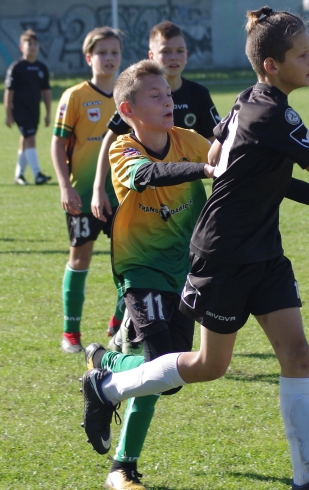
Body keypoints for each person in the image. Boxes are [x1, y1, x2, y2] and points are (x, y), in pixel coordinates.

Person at [81, 7, 309, 490]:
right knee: (207, 366)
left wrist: (305, 195)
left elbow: (223, 154)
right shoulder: (271, 111)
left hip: (263, 251)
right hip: (222, 255)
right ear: (272, 65)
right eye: (303, 54)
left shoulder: (249, 101)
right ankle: (108, 385)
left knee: (296, 353)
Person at [92, 20, 222, 338]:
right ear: (128, 109)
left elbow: (234, 166)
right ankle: (107, 359)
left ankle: (117, 354)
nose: (168, 101)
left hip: (184, 263)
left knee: (172, 374)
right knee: (159, 351)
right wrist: (202, 170)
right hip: (141, 264)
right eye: (156, 96)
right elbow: (149, 173)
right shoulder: (124, 148)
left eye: (168, 95)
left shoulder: (189, 140)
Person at [50, 27, 123, 354]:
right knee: (80, 258)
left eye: (115, 53)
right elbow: (57, 144)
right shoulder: (75, 96)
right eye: (102, 53)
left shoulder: (127, 93)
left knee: (130, 261)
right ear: (88, 57)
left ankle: (120, 321)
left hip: (122, 195)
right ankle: (71, 333)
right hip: (82, 194)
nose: (109, 59)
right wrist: (65, 186)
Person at [5, 29, 52, 186]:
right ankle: (38, 174)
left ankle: (19, 175)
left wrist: (48, 113)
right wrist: (8, 113)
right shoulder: (16, 68)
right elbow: (9, 92)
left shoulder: (42, 68)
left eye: (35, 44)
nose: (32, 47)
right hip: (20, 110)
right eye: (28, 44)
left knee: (25, 140)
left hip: (34, 110)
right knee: (30, 138)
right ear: (21, 47)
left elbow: (46, 92)